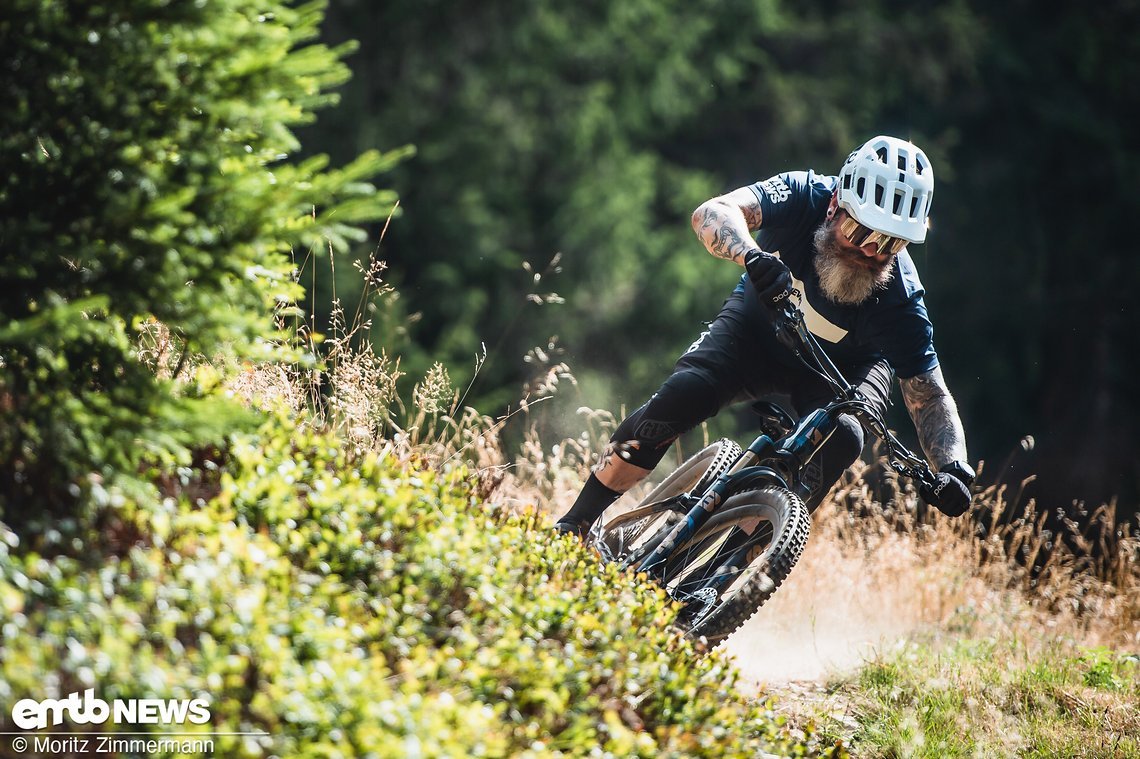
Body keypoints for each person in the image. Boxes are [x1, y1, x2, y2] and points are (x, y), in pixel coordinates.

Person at [556, 135, 974, 538]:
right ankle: (573, 526)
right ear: (834, 206)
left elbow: (930, 395)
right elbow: (712, 213)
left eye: (889, 244)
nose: (870, 251)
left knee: (844, 436)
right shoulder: (803, 194)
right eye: (862, 233)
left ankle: (729, 574)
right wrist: (749, 254)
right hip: (754, 333)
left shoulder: (901, 298)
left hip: (844, 375)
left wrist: (952, 467)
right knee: (681, 396)